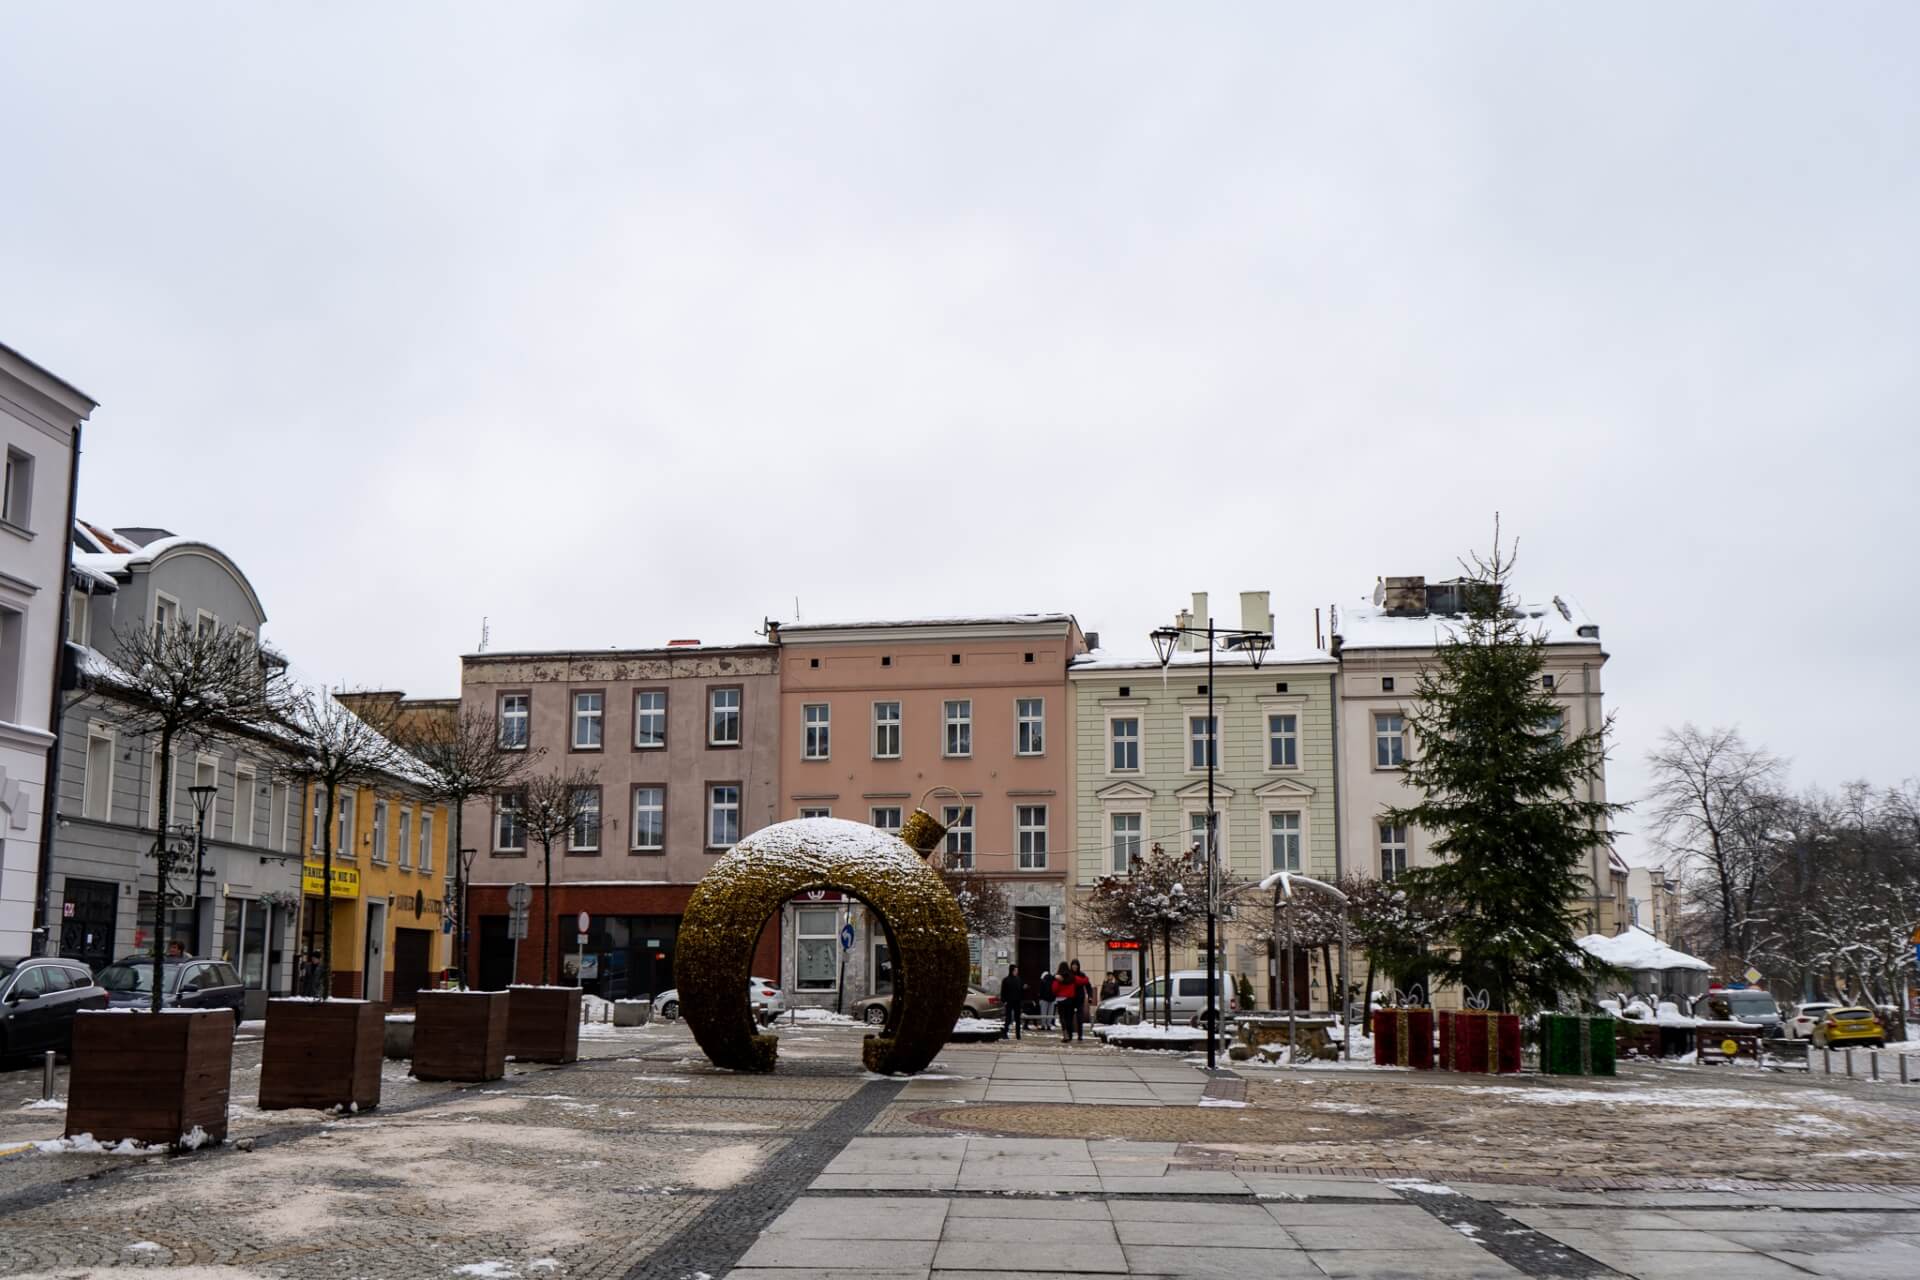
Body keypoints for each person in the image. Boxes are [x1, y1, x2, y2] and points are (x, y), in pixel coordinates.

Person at [1052, 964, 1079, 1044]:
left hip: (1061, 1000)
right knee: (1069, 1018)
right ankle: (1070, 1035)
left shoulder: (1058, 978)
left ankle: (1065, 1035)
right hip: (1070, 1000)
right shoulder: (1072, 977)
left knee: (1062, 1018)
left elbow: (1054, 989)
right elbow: (1082, 981)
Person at [997, 965, 1024, 1040]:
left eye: (1017, 970)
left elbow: (1020, 990)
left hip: (1017, 1001)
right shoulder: (1006, 980)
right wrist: (1004, 1001)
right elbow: (1003, 991)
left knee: (1018, 1019)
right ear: (1012, 971)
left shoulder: (1018, 979)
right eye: (1015, 970)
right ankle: (1005, 1033)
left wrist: (1024, 988)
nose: (1016, 972)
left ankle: (1018, 1035)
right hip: (1009, 1001)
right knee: (1008, 1018)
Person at [1069, 959, 1093, 1042]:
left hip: (1079, 998)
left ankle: (1080, 1035)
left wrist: (1090, 996)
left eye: (1076, 965)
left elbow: (1088, 986)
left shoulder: (1082, 974)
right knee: (1070, 1017)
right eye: (1073, 965)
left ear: (1078, 966)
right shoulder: (1068, 974)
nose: (1074, 966)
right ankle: (1070, 1034)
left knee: (1080, 1017)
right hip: (1070, 998)